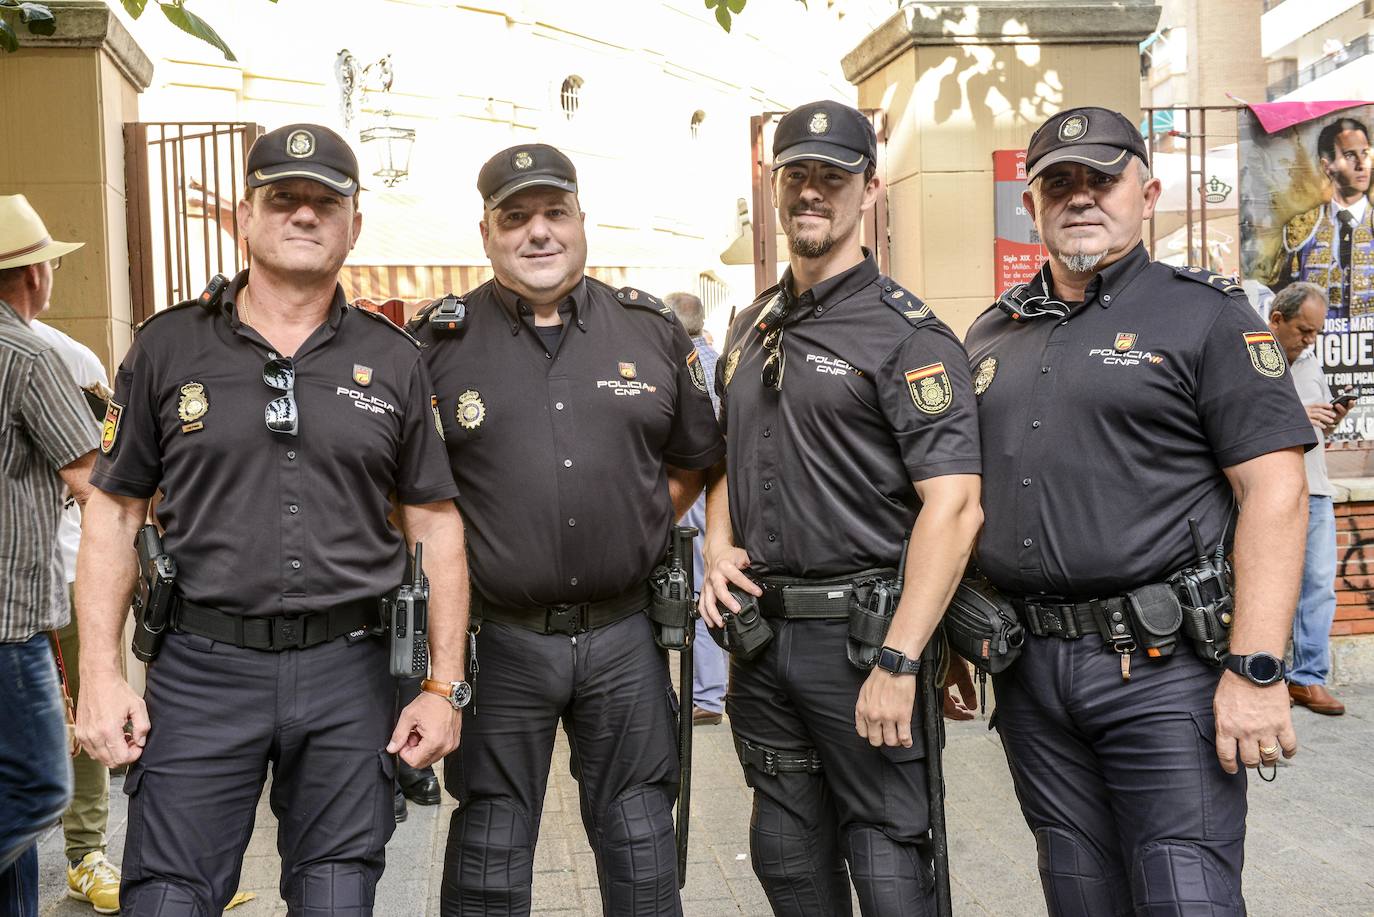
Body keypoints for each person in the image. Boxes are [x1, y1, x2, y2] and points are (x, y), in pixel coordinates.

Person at [73, 123, 470, 916]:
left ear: (353, 224)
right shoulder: (166, 347)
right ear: (244, 217)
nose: (304, 214)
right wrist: (99, 671)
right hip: (201, 669)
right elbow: (114, 513)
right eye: (282, 197)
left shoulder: (394, 359)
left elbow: (435, 524)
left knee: (336, 892)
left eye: (326, 200)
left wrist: (443, 685)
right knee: (166, 898)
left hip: (348, 674)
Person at [966, 106, 1316, 916]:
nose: (1081, 197)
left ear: (1148, 191)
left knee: (1182, 895)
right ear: (1032, 203)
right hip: (1031, 676)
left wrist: (1258, 669)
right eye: (1060, 182)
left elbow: (1276, 490)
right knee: (1079, 896)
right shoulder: (991, 332)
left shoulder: (1206, 316)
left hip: (1162, 678)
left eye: (1102, 178)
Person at [411, 142, 723, 916]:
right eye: (515, 218)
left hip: (624, 636)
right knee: (488, 843)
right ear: (486, 233)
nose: (538, 232)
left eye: (554, 214)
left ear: (583, 222)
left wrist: (639, 520)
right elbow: (405, 494)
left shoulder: (650, 331)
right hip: (499, 638)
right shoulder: (433, 348)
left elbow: (693, 461)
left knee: (641, 842)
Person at [699, 100, 984, 916]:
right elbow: (725, 457)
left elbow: (955, 507)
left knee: (889, 858)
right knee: (786, 859)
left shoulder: (909, 335)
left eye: (833, 175)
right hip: (764, 637)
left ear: (870, 188)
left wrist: (902, 660)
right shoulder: (751, 324)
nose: (812, 192)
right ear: (775, 186)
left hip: (864, 643)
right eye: (797, 176)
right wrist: (718, 544)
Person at [0, 194, 98, 917]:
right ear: (35, 275)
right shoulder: (31, 356)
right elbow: (96, 481)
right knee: (38, 785)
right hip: (11, 619)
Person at [27, 319, 121, 914]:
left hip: (64, 571)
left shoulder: (69, 355)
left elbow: (110, 461)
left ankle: (85, 853)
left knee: (86, 709)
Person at [1267, 282, 1350, 715]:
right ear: (1276, 320)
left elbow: (1316, 432)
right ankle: (1261, 674)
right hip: (1267, 491)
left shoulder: (1312, 362)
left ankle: (1308, 679)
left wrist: (1330, 421)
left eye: (1316, 332)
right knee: (1257, 585)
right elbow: (1240, 420)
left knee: (1318, 586)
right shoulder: (1253, 358)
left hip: (1314, 488)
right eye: (1304, 330)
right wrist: (1298, 415)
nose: (1310, 340)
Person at [663, 290, 727, 727]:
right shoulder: (723, 362)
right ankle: (719, 685)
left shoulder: (676, 366)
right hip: (724, 489)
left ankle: (708, 694)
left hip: (695, 486)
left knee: (701, 586)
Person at [1280, 117, 1374, 320]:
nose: (1361, 165)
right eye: (1350, 155)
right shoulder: (1301, 229)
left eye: (1365, 153)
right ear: (1327, 166)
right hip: (1317, 347)